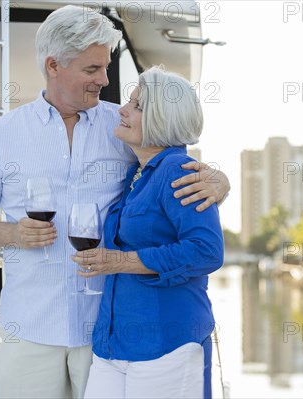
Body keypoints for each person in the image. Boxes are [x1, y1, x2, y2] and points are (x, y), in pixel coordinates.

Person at [0, 5, 229, 399]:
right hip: (29, 326)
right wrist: (11, 233)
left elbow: (172, 168)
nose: (104, 79)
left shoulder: (123, 125)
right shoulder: (1, 135)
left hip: (103, 328)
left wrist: (220, 181)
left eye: (106, 67)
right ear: (53, 65)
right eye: (92, 70)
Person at [73, 66, 224, 398]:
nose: (123, 110)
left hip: (165, 344)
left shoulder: (177, 171)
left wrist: (121, 261)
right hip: (113, 343)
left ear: (161, 118)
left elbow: (206, 250)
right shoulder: (135, 175)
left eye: (137, 105)